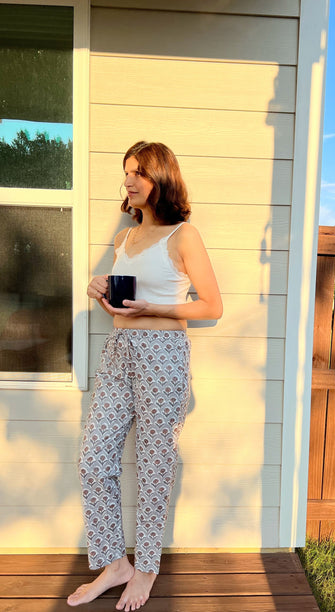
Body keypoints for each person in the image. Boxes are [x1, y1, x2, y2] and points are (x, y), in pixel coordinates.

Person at [67, 141, 222, 610]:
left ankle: (147, 567)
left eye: (139, 172)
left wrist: (156, 307)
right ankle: (115, 563)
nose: (129, 180)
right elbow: (121, 306)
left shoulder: (183, 235)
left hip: (163, 353)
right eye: (126, 172)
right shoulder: (124, 239)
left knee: (155, 463)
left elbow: (212, 306)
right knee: (94, 456)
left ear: (161, 178)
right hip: (120, 351)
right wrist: (100, 292)